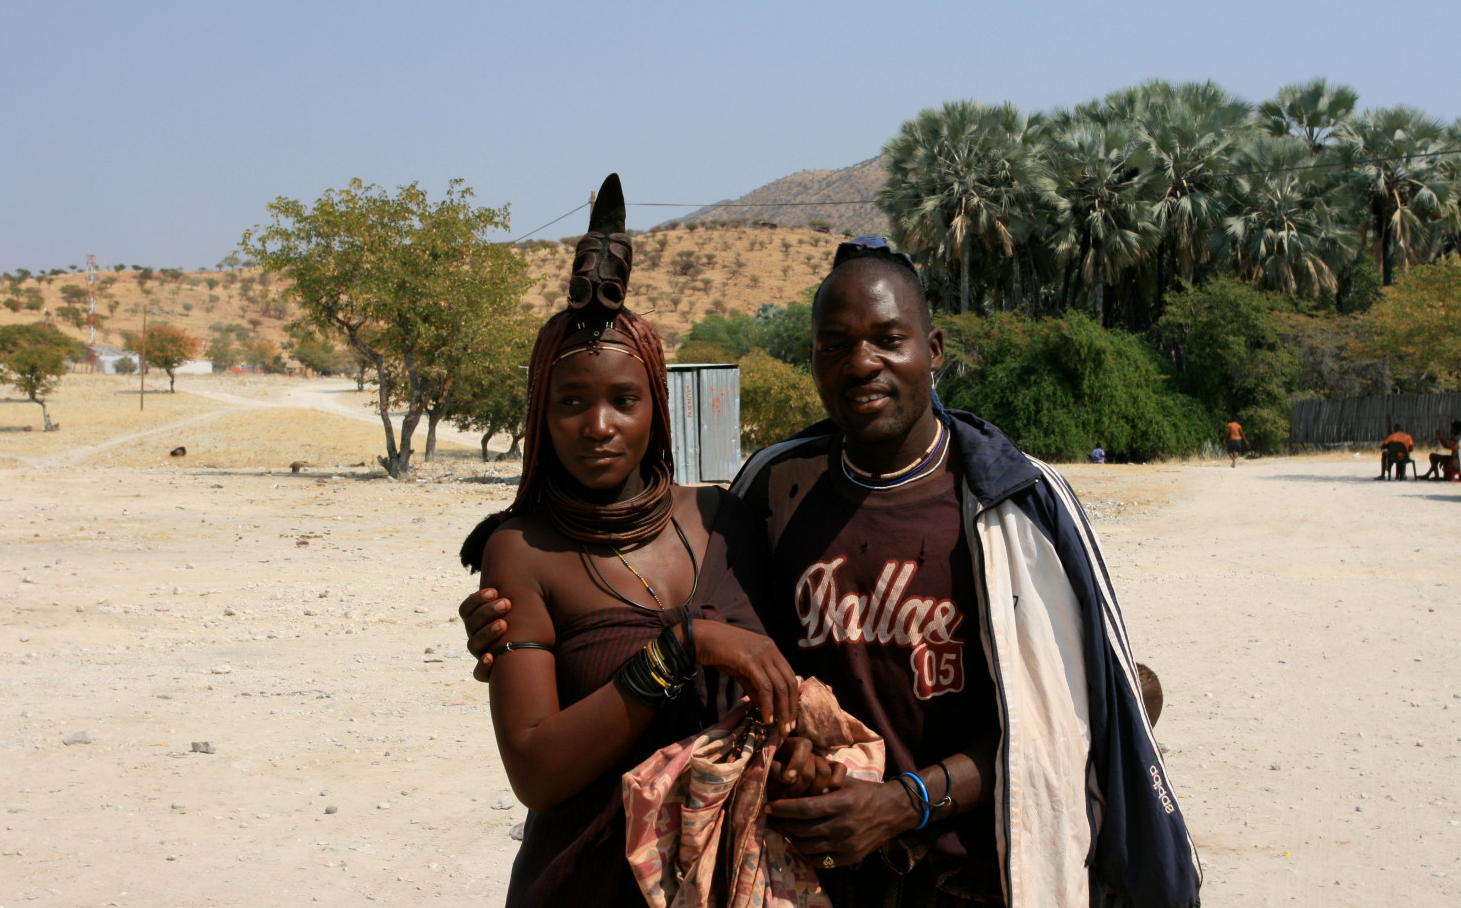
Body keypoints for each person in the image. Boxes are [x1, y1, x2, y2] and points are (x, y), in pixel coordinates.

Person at [464, 237, 1200, 907]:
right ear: (813, 359)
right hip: (801, 880)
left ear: (933, 348)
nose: (862, 363)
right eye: (836, 344)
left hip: (976, 878)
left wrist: (904, 800)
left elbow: (1072, 714)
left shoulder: (1015, 507)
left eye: (888, 339)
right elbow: (764, 694)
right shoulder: (773, 495)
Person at [460, 175, 811, 908]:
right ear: (540, 414)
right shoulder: (521, 552)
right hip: (585, 884)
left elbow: (785, 686)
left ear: (658, 403)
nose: (598, 427)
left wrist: (805, 749)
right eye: (571, 403)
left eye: (624, 400)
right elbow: (535, 770)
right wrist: (682, 648)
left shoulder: (724, 518)